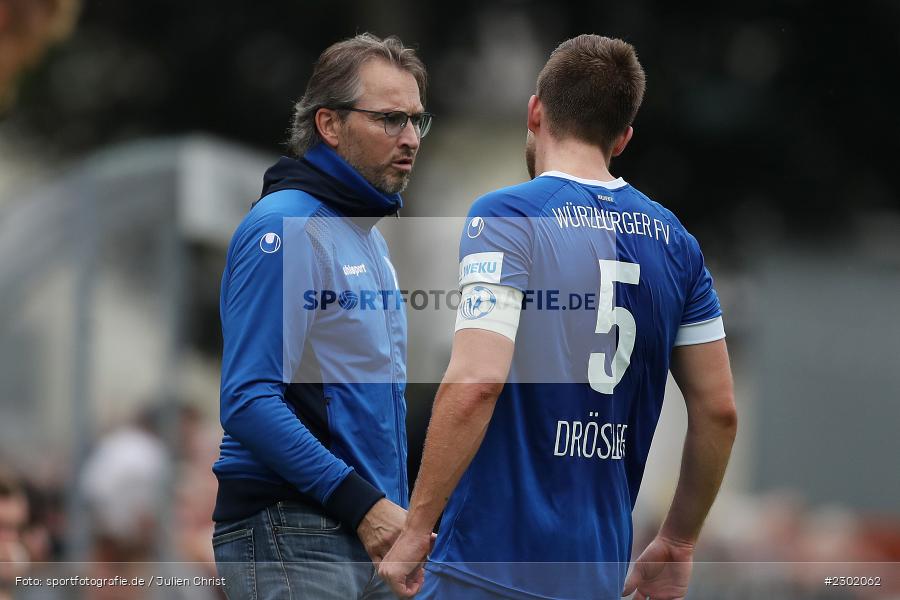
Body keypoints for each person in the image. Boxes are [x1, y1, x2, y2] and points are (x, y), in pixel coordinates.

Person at [380, 35, 737, 599]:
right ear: (623, 139)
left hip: (487, 565)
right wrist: (678, 541)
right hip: (593, 576)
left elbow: (476, 381)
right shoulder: (678, 244)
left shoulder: (507, 215)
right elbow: (718, 410)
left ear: (535, 110)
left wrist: (416, 528)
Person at [212, 33, 432, 600]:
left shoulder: (365, 239)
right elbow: (248, 400)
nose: (409, 139)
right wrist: (365, 505)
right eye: (389, 119)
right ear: (329, 125)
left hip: (365, 529)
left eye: (416, 121)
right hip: (296, 526)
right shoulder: (285, 228)